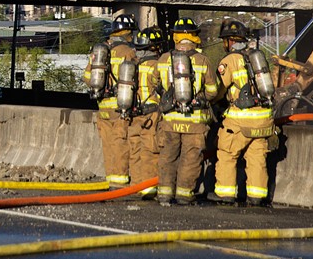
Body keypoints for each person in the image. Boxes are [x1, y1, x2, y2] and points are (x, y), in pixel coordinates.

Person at [151, 17, 220, 206]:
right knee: (191, 158)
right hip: (195, 122)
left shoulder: (164, 59)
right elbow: (213, 91)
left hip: (170, 120)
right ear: (195, 37)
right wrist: (202, 97)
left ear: (175, 37)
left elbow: (154, 85)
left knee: (168, 156)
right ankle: (184, 194)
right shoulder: (202, 60)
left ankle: (164, 194)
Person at [209, 18, 276, 207]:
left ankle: (225, 194)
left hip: (240, 120)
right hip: (263, 121)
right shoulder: (258, 57)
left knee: (227, 154)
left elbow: (219, 89)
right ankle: (256, 196)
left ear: (229, 41)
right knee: (257, 158)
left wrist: (212, 101)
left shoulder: (229, 60)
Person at [82, 12, 138, 188]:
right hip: (120, 106)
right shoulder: (128, 52)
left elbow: (86, 77)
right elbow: (136, 78)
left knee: (108, 146)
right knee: (120, 144)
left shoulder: (100, 51)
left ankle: (110, 179)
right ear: (127, 34)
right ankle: (119, 183)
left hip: (103, 107)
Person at [127, 25, 169, 199]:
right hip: (151, 115)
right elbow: (165, 90)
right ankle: (149, 188)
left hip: (134, 114)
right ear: (155, 46)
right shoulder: (156, 65)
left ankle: (136, 185)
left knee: (135, 151)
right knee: (151, 151)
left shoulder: (133, 64)